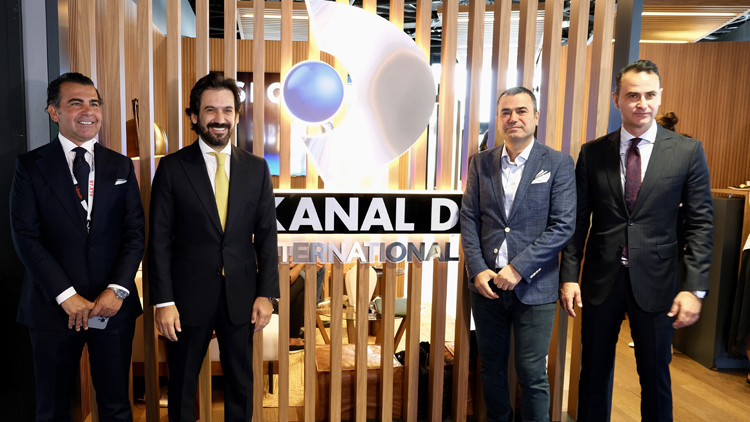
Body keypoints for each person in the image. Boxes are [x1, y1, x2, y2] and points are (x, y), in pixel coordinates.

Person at [560, 59, 713, 421]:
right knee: (593, 374)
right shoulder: (592, 152)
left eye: (649, 95)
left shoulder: (688, 152)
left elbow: (701, 224)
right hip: (601, 280)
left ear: (660, 97)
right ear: (616, 99)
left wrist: (695, 289)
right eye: (632, 95)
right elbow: (577, 222)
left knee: (655, 377)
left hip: (658, 281)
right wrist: (569, 276)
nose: (642, 103)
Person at [10, 72, 145, 421]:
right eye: (75, 103)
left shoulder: (120, 165)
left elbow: (135, 234)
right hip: (52, 308)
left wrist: (117, 290)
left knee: (116, 407)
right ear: (54, 112)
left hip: (111, 308)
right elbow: (26, 237)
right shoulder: (30, 167)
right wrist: (65, 295)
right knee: (53, 409)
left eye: (94, 103)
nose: (88, 111)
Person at [149, 72, 279, 421]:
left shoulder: (257, 169)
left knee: (241, 385)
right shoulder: (172, 168)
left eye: (227, 110)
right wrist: (164, 302)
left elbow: (267, 236)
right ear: (194, 116)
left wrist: (266, 294)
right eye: (210, 110)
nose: (219, 118)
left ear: (236, 116)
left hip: (242, 298)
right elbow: (159, 241)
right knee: (181, 386)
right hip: (185, 300)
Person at [460, 86, 576, 421]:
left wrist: (518, 268)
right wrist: (477, 269)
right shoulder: (480, 163)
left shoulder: (557, 163)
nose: (514, 118)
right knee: (491, 367)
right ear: (498, 119)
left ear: (536, 117)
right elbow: (469, 218)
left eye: (522, 111)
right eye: (506, 112)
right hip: (487, 287)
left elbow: (562, 226)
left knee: (532, 372)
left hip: (536, 286)